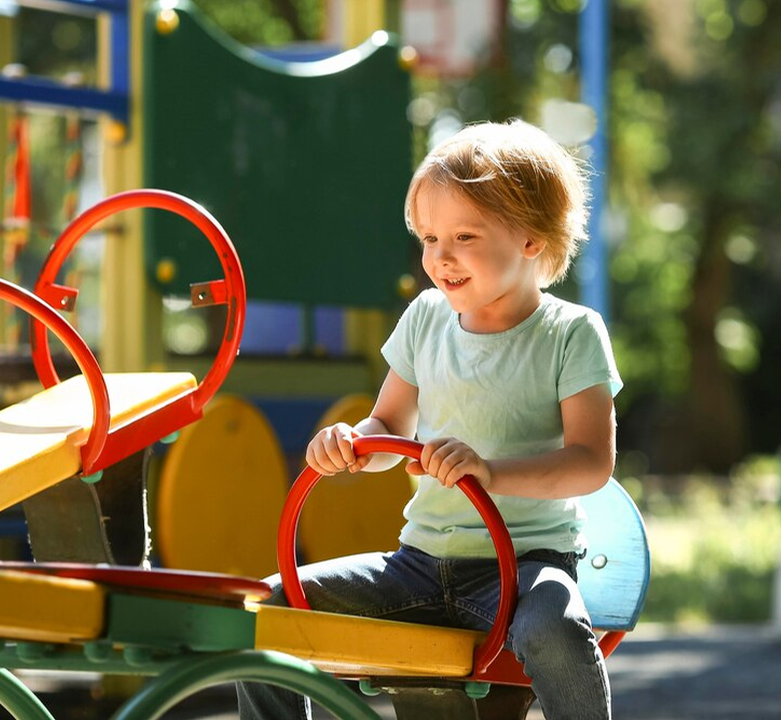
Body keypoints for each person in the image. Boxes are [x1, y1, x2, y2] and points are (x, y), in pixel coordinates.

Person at [237, 118, 621, 719]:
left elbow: (591, 463)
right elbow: (388, 429)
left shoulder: (570, 333)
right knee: (271, 606)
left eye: (464, 236)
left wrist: (488, 472)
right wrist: (353, 444)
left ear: (531, 239)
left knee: (553, 628)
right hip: (417, 564)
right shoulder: (424, 318)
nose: (440, 258)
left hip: (520, 567)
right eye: (428, 238)